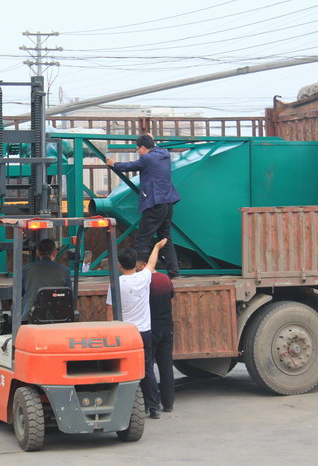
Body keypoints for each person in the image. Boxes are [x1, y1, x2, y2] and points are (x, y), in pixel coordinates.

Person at [106, 238, 167, 419]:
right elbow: (151, 262)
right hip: (144, 332)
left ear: (119, 264)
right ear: (136, 264)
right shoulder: (143, 277)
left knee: (124, 370)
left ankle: (131, 406)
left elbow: (109, 309)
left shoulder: (116, 283)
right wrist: (156, 246)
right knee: (147, 369)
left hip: (125, 333)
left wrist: (111, 331)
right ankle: (154, 407)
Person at [106, 134, 181, 278]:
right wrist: (151, 139)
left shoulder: (146, 158)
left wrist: (113, 164)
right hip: (168, 202)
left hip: (154, 202)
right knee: (165, 237)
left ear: (142, 148)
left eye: (138, 149)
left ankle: (139, 271)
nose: (138, 152)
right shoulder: (164, 154)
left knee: (142, 238)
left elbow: (130, 166)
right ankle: (174, 271)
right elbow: (155, 148)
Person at [136, 256, 175, 413]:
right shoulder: (165, 279)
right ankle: (168, 403)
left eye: (138, 264)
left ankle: (150, 403)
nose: (136, 267)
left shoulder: (144, 282)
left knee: (148, 366)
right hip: (167, 325)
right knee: (166, 365)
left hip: (150, 326)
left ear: (145, 264)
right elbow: (171, 295)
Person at [21, 238, 71, 322]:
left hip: (31, 316)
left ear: (37, 252)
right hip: (58, 315)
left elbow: (19, 292)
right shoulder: (64, 271)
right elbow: (69, 295)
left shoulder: (26, 270)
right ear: (55, 253)